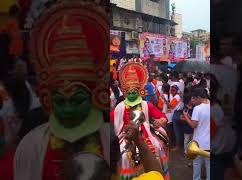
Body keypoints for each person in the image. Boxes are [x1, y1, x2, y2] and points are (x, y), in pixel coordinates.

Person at [13, 2, 111, 180]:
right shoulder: (31, 145)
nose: (68, 110)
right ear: (48, 99)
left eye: (77, 100)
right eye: (60, 101)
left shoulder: (110, 138)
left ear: (95, 97)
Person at [110, 62, 169, 179]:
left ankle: (158, 174)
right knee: (123, 155)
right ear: (125, 92)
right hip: (126, 135)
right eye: (129, 92)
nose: (131, 95)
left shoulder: (146, 104)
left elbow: (162, 116)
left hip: (146, 134)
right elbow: (110, 119)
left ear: (140, 91)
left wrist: (160, 121)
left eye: (134, 92)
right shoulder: (120, 107)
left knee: (158, 146)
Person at [181, 88, 210, 180]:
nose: (192, 101)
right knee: (209, 166)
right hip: (209, 143)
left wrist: (186, 117)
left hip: (198, 143)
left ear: (198, 97)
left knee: (197, 165)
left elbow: (193, 125)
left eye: (193, 99)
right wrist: (189, 117)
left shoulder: (198, 108)